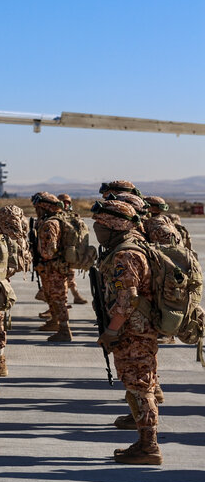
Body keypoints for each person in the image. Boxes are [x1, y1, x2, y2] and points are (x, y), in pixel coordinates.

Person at [93, 198, 163, 464]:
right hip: (138, 329)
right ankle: (145, 443)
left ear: (114, 225)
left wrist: (112, 331)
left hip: (133, 332)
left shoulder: (125, 254)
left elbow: (127, 299)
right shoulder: (131, 247)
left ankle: (149, 447)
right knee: (140, 384)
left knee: (140, 387)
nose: (97, 229)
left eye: (101, 224)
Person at [31, 192, 71, 342]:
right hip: (50, 268)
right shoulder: (47, 221)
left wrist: (41, 259)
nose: (36, 210)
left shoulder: (50, 224)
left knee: (59, 299)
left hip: (54, 269)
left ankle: (65, 330)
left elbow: (49, 250)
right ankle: (55, 323)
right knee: (52, 297)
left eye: (38, 207)